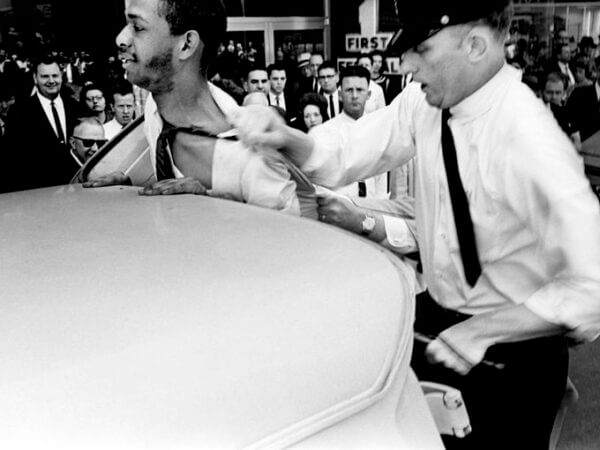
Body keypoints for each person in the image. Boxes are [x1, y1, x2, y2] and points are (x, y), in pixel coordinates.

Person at [232, 1, 600, 448]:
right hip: (441, 323)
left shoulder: (530, 137)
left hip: (514, 352)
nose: (406, 64)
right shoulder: (421, 104)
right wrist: (285, 137)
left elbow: (592, 286)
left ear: (476, 45)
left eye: (422, 49)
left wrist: (486, 330)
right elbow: (350, 150)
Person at [84, 0, 314, 218]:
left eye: (137, 27)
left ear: (186, 44)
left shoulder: (254, 157)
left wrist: (209, 206)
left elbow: (284, 246)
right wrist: (129, 189)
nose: (120, 39)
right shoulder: (156, 106)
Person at [2, 53, 79, 192]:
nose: (51, 81)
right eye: (45, 76)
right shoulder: (19, 112)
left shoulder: (74, 106)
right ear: (35, 78)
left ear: (61, 76)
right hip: (38, 194)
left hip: (75, 190)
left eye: (55, 76)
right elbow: (11, 160)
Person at [315, 65, 387, 199]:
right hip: (340, 207)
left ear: (369, 94)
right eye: (349, 90)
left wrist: (380, 206)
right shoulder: (326, 133)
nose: (354, 96)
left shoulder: (378, 129)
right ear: (340, 95)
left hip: (373, 207)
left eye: (360, 90)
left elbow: (381, 177)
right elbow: (320, 181)